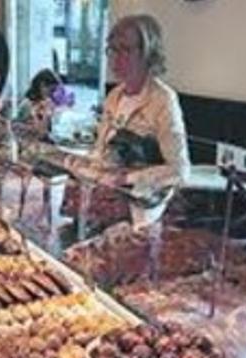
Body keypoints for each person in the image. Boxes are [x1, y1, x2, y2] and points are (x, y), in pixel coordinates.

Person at [61, 13, 191, 285]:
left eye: (126, 49)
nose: (116, 58)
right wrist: (81, 164)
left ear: (148, 53)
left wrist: (128, 178)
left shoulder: (163, 101)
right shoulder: (114, 96)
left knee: (124, 285)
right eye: (112, 49)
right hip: (104, 209)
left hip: (142, 214)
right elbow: (103, 151)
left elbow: (179, 170)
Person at [16, 68, 65, 139]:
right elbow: (16, 127)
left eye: (53, 91)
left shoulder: (48, 103)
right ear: (42, 86)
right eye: (51, 90)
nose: (51, 94)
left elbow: (49, 129)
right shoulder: (27, 105)